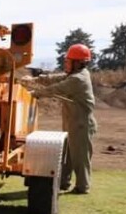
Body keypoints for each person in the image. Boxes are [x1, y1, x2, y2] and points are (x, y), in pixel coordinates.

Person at [32, 43, 97, 194]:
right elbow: (56, 79)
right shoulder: (74, 75)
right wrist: (38, 78)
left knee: (80, 156)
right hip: (71, 121)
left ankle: (82, 186)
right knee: (67, 155)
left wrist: (35, 93)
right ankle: (63, 182)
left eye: (69, 61)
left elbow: (56, 88)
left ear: (78, 63)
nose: (66, 63)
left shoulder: (78, 79)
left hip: (81, 123)